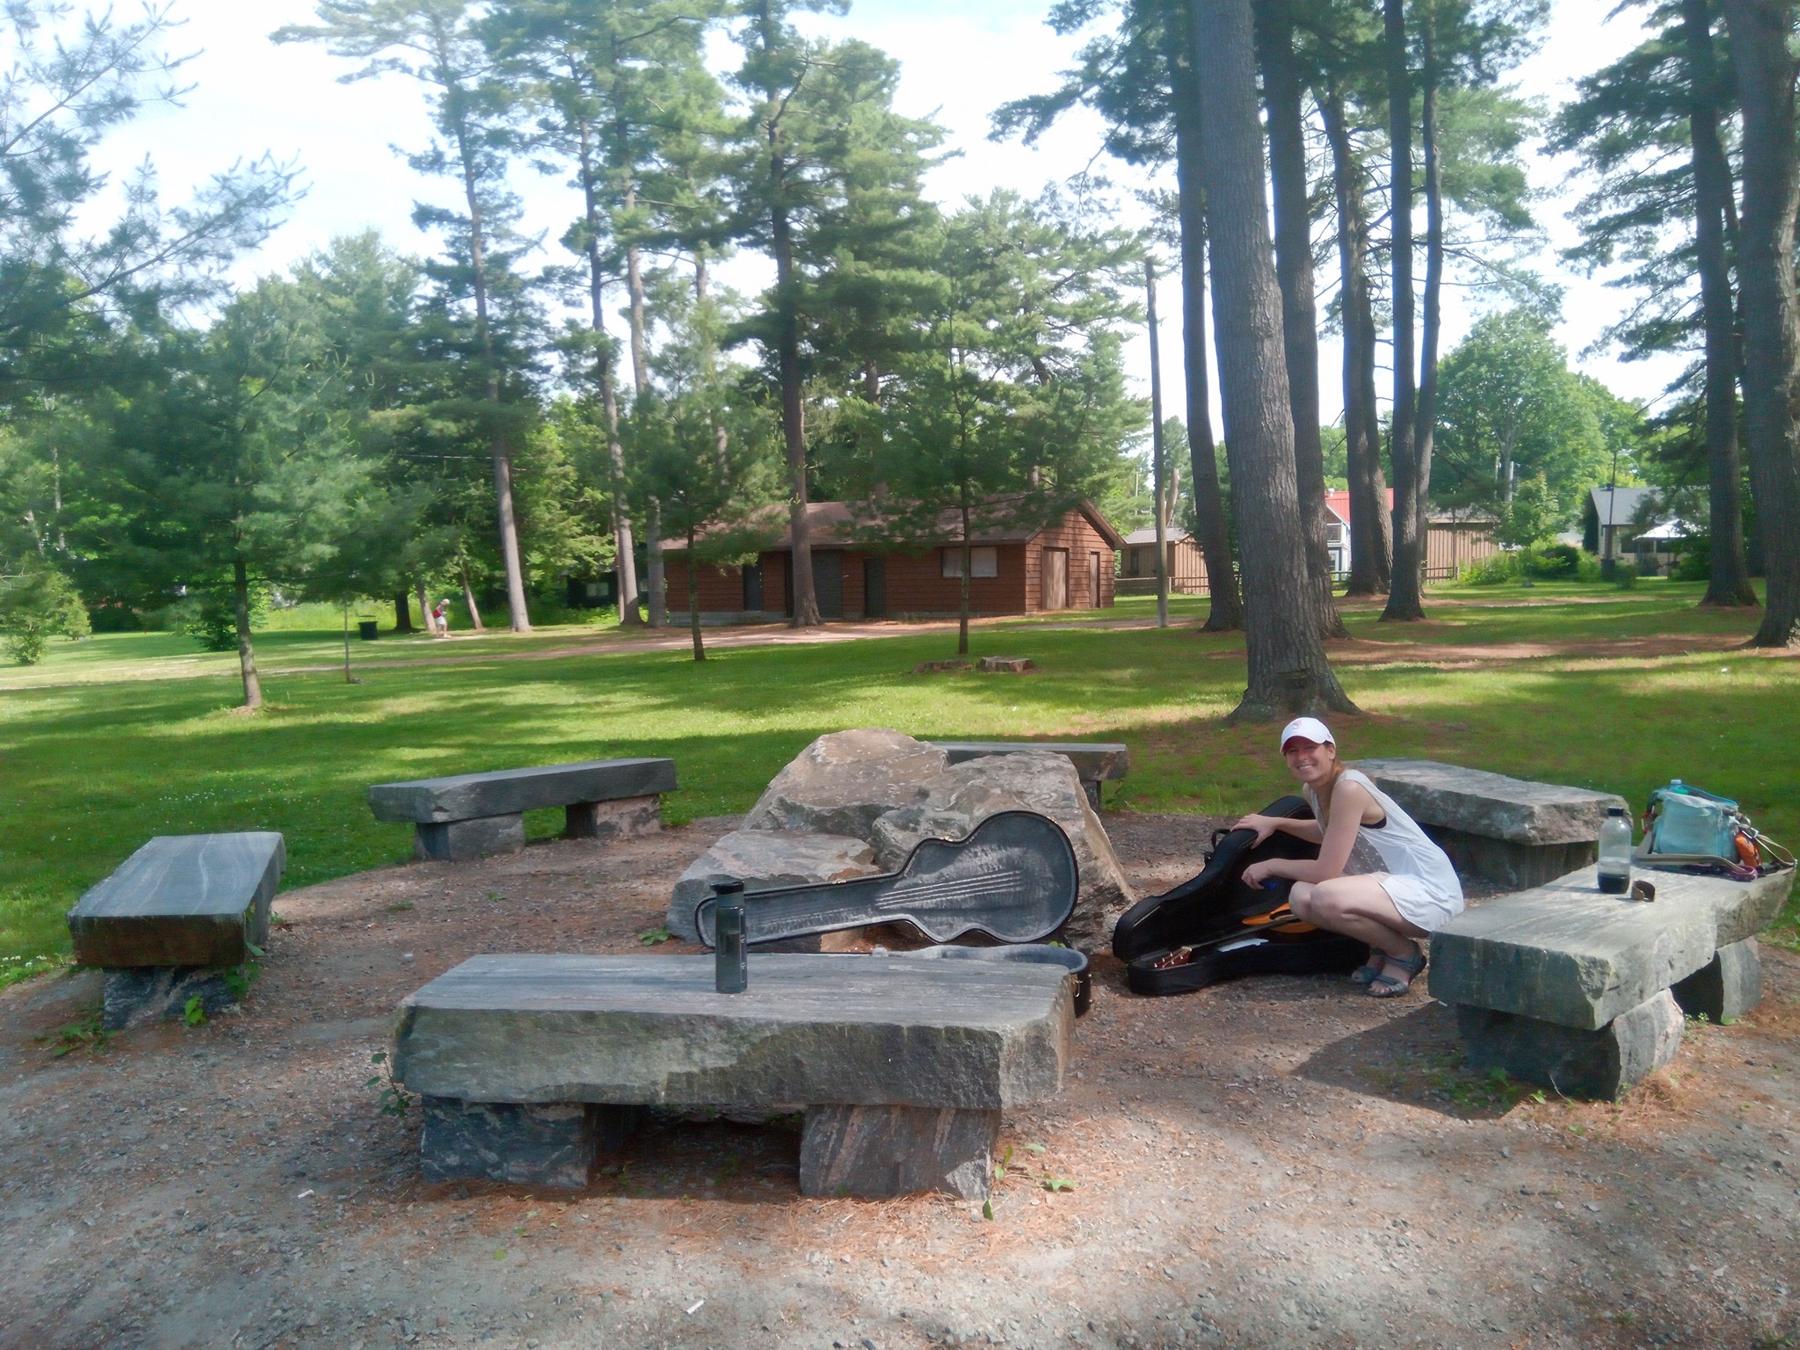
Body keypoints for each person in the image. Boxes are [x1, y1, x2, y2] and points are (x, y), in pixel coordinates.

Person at [1234, 717, 1463, 998]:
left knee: (1326, 894)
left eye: (1310, 747)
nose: (1301, 757)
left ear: (1330, 750)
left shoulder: (1349, 788)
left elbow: (1326, 871)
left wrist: (1272, 865)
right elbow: (1329, 831)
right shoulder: (1316, 790)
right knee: (1300, 897)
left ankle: (1404, 954)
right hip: (1389, 887)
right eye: (1292, 751)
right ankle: (1381, 946)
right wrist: (1276, 823)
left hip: (1429, 892)